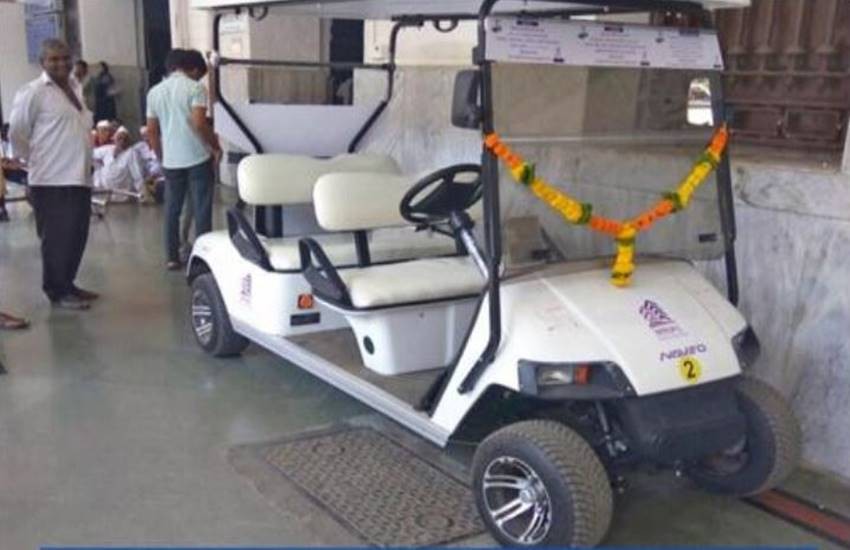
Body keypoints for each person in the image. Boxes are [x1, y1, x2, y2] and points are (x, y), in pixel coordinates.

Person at [8, 39, 99, 310]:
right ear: (43, 63)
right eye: (54, 59)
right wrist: (35, 160)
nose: (61, 63)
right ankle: (56, 291)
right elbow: (17, 133)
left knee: (77, 235)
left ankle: (68, 284)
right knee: (58, 238)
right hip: (51, 179)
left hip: (79, 176)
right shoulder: (33, 92)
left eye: (65, 58)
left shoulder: (75, 87)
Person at [146, 48, 221, 270]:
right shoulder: (195, 88)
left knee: (172, 209)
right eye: (200, 75)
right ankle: (202, 259)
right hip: (197, 158)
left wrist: (161, 157)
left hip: (171, 161)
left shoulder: (154, 92)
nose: (200, 79)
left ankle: (172, 257)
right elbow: (199, 123)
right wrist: (215, 147)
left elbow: (152, 131)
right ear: (194, 69)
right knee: (201, 209)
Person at [92, 126, 148, 201]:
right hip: (104, 193)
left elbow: (137, 175)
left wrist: (143, 194)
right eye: (119, 138)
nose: (121, 141)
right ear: (114, 139)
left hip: (121, 195)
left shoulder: (131, 153)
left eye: (124, 139)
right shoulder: (107, 149)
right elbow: (90, 154)